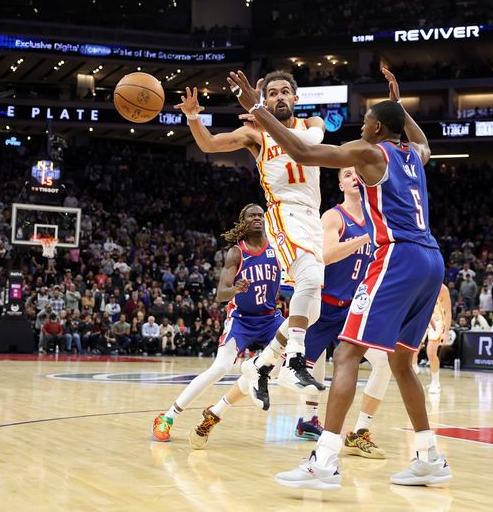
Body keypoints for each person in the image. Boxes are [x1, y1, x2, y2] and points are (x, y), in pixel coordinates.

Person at [229, 67, 451, 488]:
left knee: (348, 355)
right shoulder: (415, 155)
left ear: (379, 128)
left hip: (397, 257)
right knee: (403, 362)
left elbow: (304, 154)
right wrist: (402, 108)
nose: (360, 124)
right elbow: (421, 140)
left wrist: (257, 107)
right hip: (431, 260)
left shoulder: (371, 153)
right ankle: (429, 456)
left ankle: (325, 461)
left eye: (366, 120)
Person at [176, 71, 326, 398]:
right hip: (285, 210)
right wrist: (192, 116)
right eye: (272, 94)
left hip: (312, 216)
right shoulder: (256, 135)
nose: (280, 97)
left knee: (312, 309)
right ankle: (294, 361)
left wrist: (259, 111)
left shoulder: (312, 122)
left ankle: (262, 363)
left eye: (286, 92)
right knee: (310, 280)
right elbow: (208, 144)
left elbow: (309, 145)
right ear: (266, 99)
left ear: (296, 99)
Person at [151, 204, 289, 446]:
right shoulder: (236, 253)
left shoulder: (277, 248)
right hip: (242, 319)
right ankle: (167, 416)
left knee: (280, 368)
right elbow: (220, 294)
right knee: (220, 368)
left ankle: (239, 383)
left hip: (270, 318)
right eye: (251, 216)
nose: (257, 218)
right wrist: (235, 288)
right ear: (243, 222)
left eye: (260, 215)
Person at [296, 167, 390, 460]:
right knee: (292, 369)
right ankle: (308, 418)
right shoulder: (333, 216)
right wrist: (363, 239)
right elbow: (327, 254)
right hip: (323, 304)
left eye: (358, 173)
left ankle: (360, 431)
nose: (354, 177)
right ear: (340, 184)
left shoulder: (379, 219)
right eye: (347, 174)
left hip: (356, 308)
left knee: (384, 361)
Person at [422, 284, 452, 393]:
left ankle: (436, 383)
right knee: (412, 350)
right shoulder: (423, 283)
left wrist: (446, 332)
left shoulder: (443, 289)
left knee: (430, 352)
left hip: (438, 321)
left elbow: (448, 312)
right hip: (424, 319)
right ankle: (414, 369)